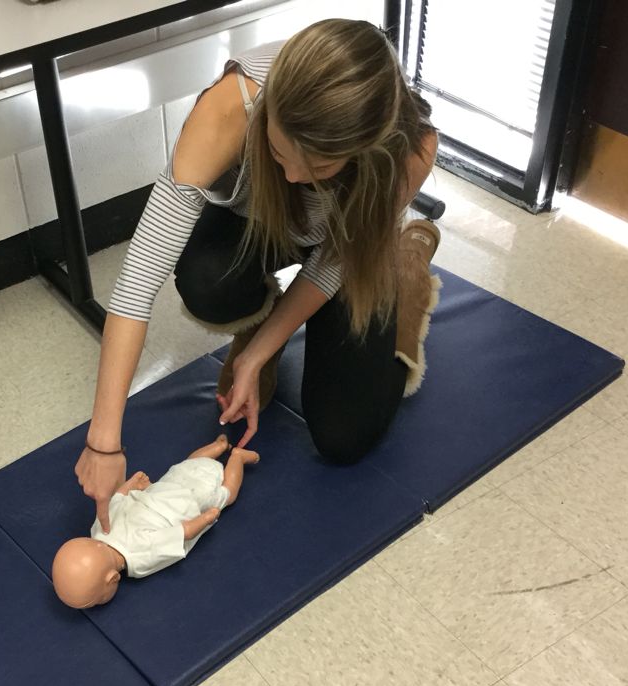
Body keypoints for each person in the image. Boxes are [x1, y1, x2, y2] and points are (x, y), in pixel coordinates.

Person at [76, 19, 440, 534]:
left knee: (344, 438)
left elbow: (331, 263)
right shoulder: (229, 109)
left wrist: (259, 353)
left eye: (319, 168)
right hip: (259, 220)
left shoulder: (409, 149)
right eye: (279, 153)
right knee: (207, 280)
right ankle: (258, 325)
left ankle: (407, 265)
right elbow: (137, 282)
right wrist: (103, 441)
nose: (292, 176)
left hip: (347, 249)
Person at [52, 435, 260, 609]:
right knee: (188, 466)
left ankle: (238, 457)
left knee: (227, 493)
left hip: (192, 502)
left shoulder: (139, 558)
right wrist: (132, 483)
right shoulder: (99, 528)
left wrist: (206, 518)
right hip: (162, 488)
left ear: (112, 578)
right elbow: (118, 498)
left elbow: (184, 532)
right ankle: (218, 446)